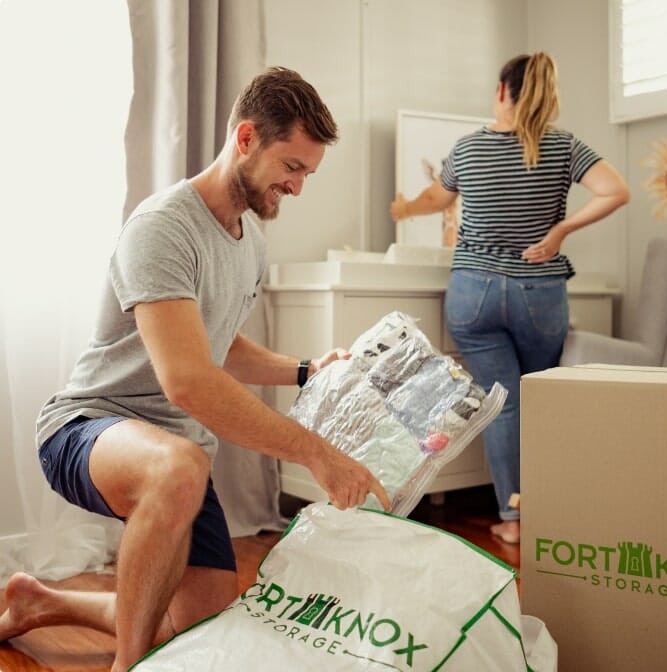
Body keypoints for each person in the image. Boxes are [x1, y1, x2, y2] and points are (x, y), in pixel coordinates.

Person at [0, 66, 390, 672]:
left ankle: (42, 601)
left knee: (201, 623)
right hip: (88, 427)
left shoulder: (248, 241)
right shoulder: (163, 228)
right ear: (246, 138)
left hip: (175, 454)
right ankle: (128, 666)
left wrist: (307, 370)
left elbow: (216, 343)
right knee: (181, 466)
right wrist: (315, 453)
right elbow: (187, 379)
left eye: (307, 174)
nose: (296, 187)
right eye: (291, 167)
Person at [390, 52, 629, 546]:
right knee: (538, 400)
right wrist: (560, 231)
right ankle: (554, 508)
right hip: (538, 292)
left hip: (473, 291)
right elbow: (616, 191)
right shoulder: (563, 146)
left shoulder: (468, 148)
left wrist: (404, 208)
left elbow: (436, 198)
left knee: (504, 403)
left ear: (502, 91)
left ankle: (512, 518)